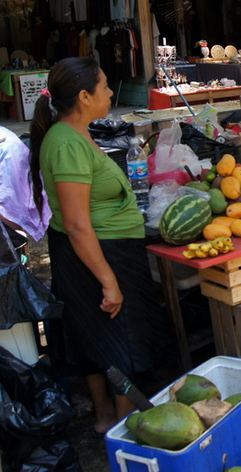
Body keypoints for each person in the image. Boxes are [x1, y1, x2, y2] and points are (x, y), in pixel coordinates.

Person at [29, 57, 167, 433]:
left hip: (102, 249)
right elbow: (76, 224)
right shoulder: (67, 144)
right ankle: (119, 422)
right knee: (120, 338)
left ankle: (107, 416)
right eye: (105, 87)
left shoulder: (77, 133)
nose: (110, 92)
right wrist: (108, 280)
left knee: (95, 336)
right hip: (98, 253)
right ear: (84, 96)